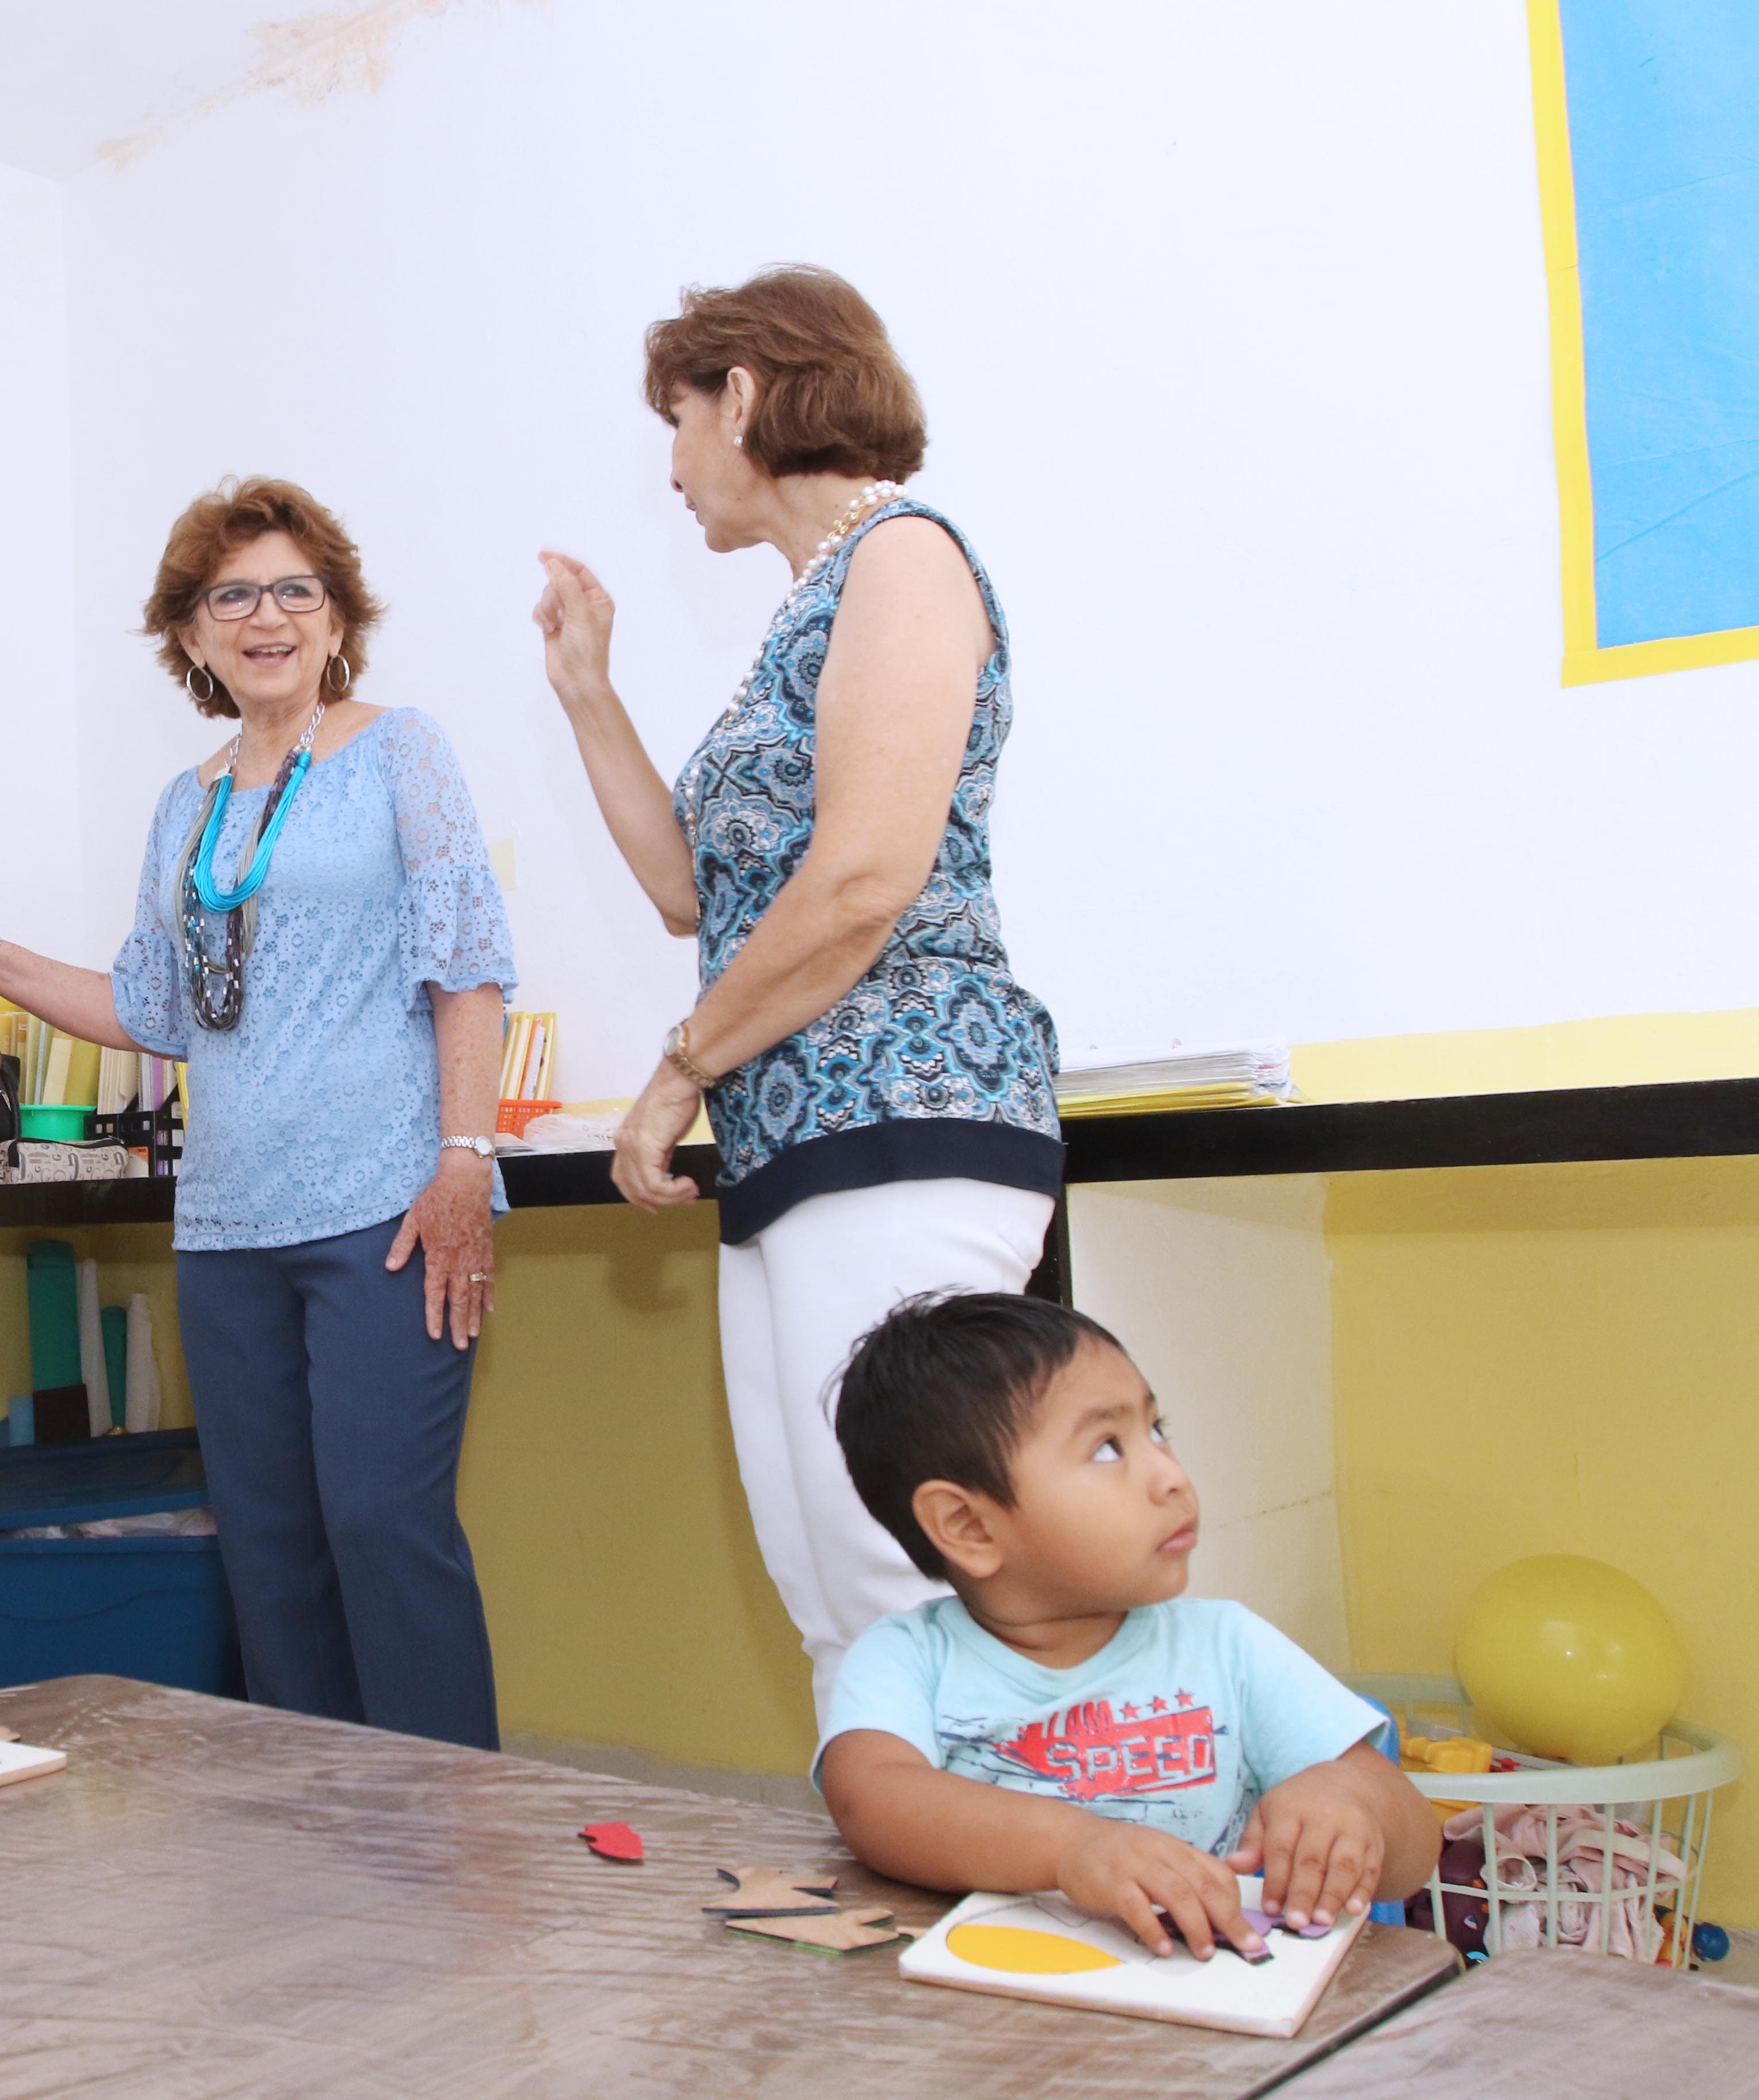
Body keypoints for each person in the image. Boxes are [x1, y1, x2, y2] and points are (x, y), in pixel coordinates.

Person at [532, 266, 1065, 1719]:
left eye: (679, 417)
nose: (672, 460)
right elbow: (692, 897)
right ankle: (908, 1885)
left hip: (902, 1112)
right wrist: (586, 688)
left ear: (746, 396)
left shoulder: (903, 557)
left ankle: (1028, 1903)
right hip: (793, 1139)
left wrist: (675, 1070)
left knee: (900, 1562)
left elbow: (859, 883)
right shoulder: (805, 611)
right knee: (827, 1581)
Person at [0, 477, 515, 1751]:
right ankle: (311, 1836)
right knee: (267, 1545)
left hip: (388, 1207)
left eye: (295, 590)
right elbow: (156, 1009)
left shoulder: (400, 750)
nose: (267, 615)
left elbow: (467, 964)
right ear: (193, 634)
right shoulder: (184, 805)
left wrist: (463, 1162)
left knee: (383, 1522)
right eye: (233, 596)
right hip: (224, 1229)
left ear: (336, 619)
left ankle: (451, 1822)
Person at [815, 1294, 1439, 1958]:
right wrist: (1075, 1848)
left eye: (1158, 1429)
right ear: (968, 1527)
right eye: (1109, 1448)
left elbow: (1415, 1851)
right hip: (1006, 2014)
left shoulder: (1228, 1647)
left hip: (1213, 2002)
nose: (1172, 1476)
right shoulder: (908, 1659)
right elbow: (872, 1801)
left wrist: (1349, 1802)